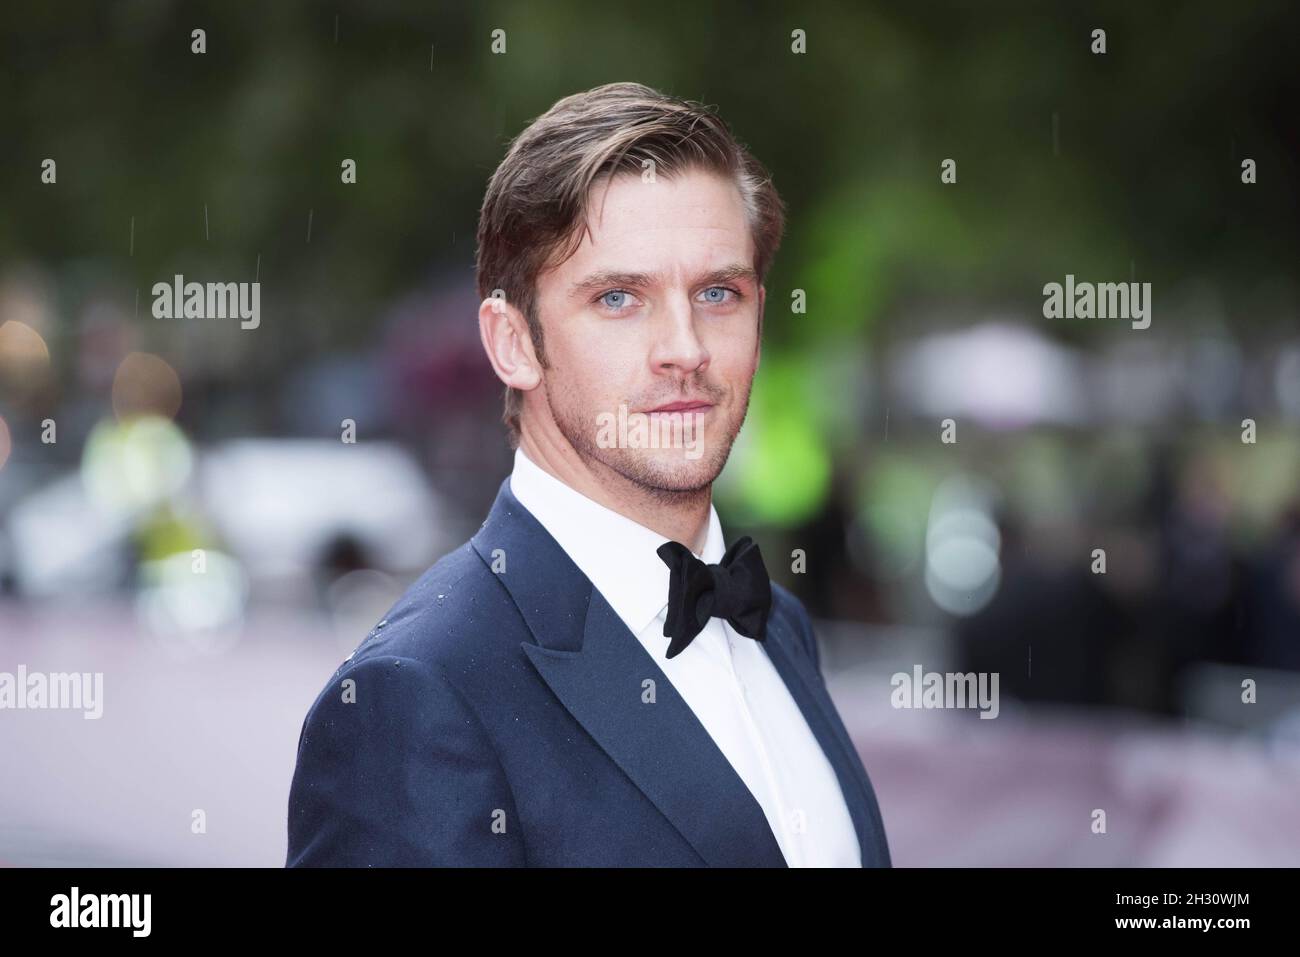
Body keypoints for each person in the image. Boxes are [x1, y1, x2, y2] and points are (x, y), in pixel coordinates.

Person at [285, 81, 891, 867]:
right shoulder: (415, 698)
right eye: (618, 298)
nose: (686, 347)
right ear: (512, 343)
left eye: (718, 292)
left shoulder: (778, 627)